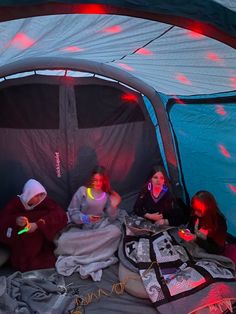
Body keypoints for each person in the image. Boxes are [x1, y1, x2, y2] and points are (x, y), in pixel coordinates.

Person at [55, 165, 122, 281]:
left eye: (100, 180)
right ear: (91, 179)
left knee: (116, 232)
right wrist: (86, 218)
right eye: (95, 180)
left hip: (100, 228)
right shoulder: (83, 191)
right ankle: (95, 249)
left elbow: (112, 217)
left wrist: (114, 205)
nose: (97, 183)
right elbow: (72, 212)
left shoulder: (105, 195)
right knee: (63, 241)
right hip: (83, 228)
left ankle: (89, 249)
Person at [0, 179, 68, 272]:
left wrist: (38, 224)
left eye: (41, 195)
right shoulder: (15, 204)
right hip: (22, 241)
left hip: (42, 241)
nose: (40, 198)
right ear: (28, 194)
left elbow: (60, 214)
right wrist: (16, 221)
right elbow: (3, 221)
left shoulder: (44, 201)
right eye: (36, 195)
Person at [179, 190, 227, 254]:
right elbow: (191, 225)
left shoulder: (220, 223)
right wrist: (187, 232)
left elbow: (217, 250)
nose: (195, 212)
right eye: (194, 209)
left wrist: (196, 239)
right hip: (195, 245)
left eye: (199, 210)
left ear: (208, 208)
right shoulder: (195, 214)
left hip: (210, 251)